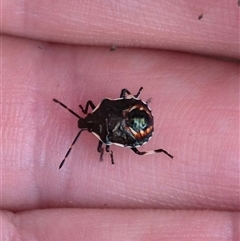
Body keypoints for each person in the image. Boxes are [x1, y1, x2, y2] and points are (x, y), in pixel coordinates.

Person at [2, 1, 239, 240]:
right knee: (127, 96)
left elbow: (104, 135)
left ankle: (159, 150)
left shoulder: (103, 133)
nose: (85, 119)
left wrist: (108, 149)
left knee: (135, 150)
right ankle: (157, 145)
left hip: (137, 127)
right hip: (137, 110)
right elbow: (116, 99)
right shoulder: (103, 108)